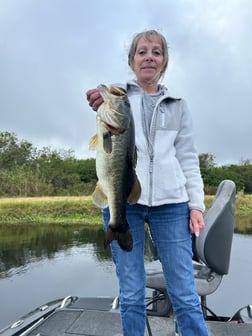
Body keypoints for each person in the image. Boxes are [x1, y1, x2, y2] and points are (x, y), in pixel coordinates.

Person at [86, 30, 209, 336]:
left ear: (164, 61)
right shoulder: (118, 98)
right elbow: (103, 109)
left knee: (184, 292)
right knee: (131, 293)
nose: (149, 57)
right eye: (142, 52)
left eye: (156, 52)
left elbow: (188, 159)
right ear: (132, 60)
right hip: (125, 203)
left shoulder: (178, 106)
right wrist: (98, 100)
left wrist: (196, 205)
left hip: (172, 205)